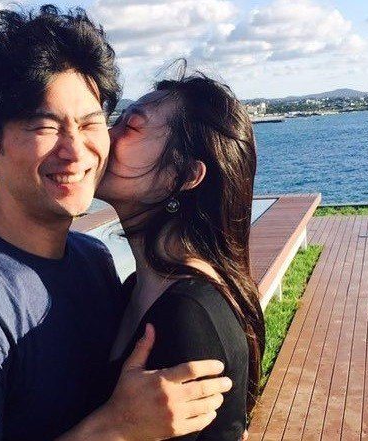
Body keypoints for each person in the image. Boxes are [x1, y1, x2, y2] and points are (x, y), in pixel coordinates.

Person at [0, 6, 232, 440]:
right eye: (45, 126)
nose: (75, 151)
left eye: (90, 123)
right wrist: (114, 428)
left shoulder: (93, 260)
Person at [95, 69, 266, 440]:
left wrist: (114, 424)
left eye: (130, 127)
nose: (102, 136)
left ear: (184, 175)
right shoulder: (140, 287)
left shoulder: (188, 317)